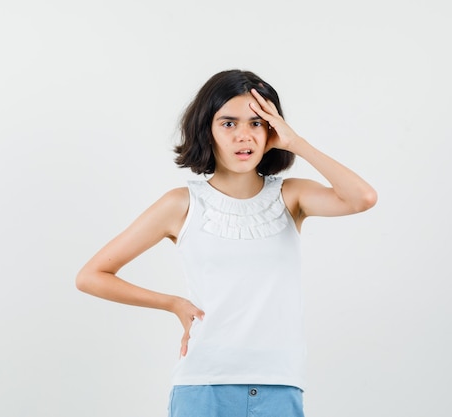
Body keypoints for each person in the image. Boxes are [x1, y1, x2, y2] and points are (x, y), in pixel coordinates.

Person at [76, 69, 377, 417]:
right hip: (203, 386)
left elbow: (363, 198)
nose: (243, 136)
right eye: (229, 123)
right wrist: (172, 303)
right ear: (207, 130)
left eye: (256, 123)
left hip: (279, 384)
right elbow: (92, 275)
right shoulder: (181, 203)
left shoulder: (291, 197)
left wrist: (296, 142)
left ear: (272, 129)